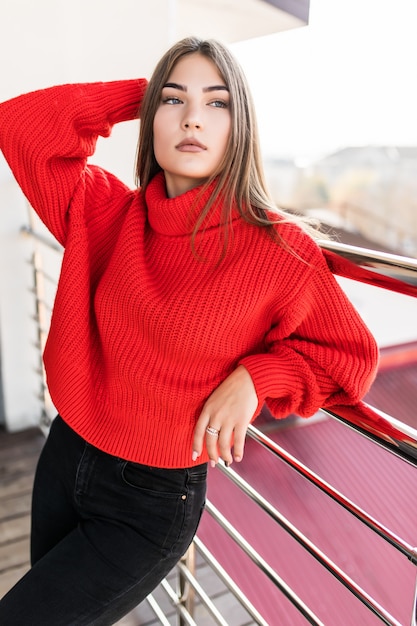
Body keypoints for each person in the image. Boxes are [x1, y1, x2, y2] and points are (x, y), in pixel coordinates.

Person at [0, 36, 379, 625]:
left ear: (240, 128)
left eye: (218, 103)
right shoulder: (106, 212)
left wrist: (258, 377)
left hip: (149, 501)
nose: (193, 119)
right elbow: (20, 125)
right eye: (175, 101)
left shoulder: (278, 248)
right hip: (66, 452)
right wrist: (146, 95)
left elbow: (350, 360)